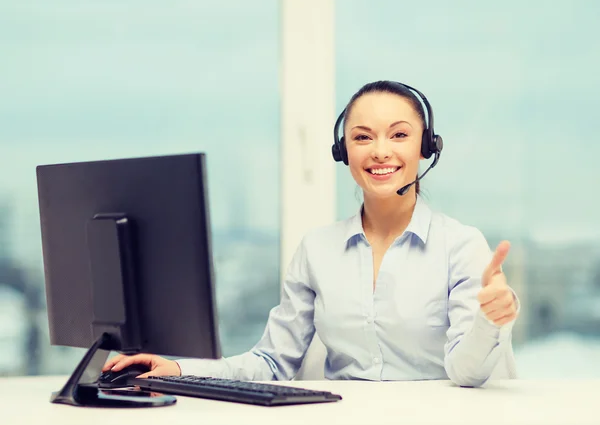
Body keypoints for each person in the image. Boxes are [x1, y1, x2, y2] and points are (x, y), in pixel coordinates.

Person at [103, 80, 520, 387]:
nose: (379, 151)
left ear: (426, 146)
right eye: (362, 137)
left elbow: (466, 374)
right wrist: (178, 368)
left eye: (399, 134)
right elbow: (271, 362)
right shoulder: (317, 249)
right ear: (344, 152)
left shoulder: (461, 245)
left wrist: (489, 320)